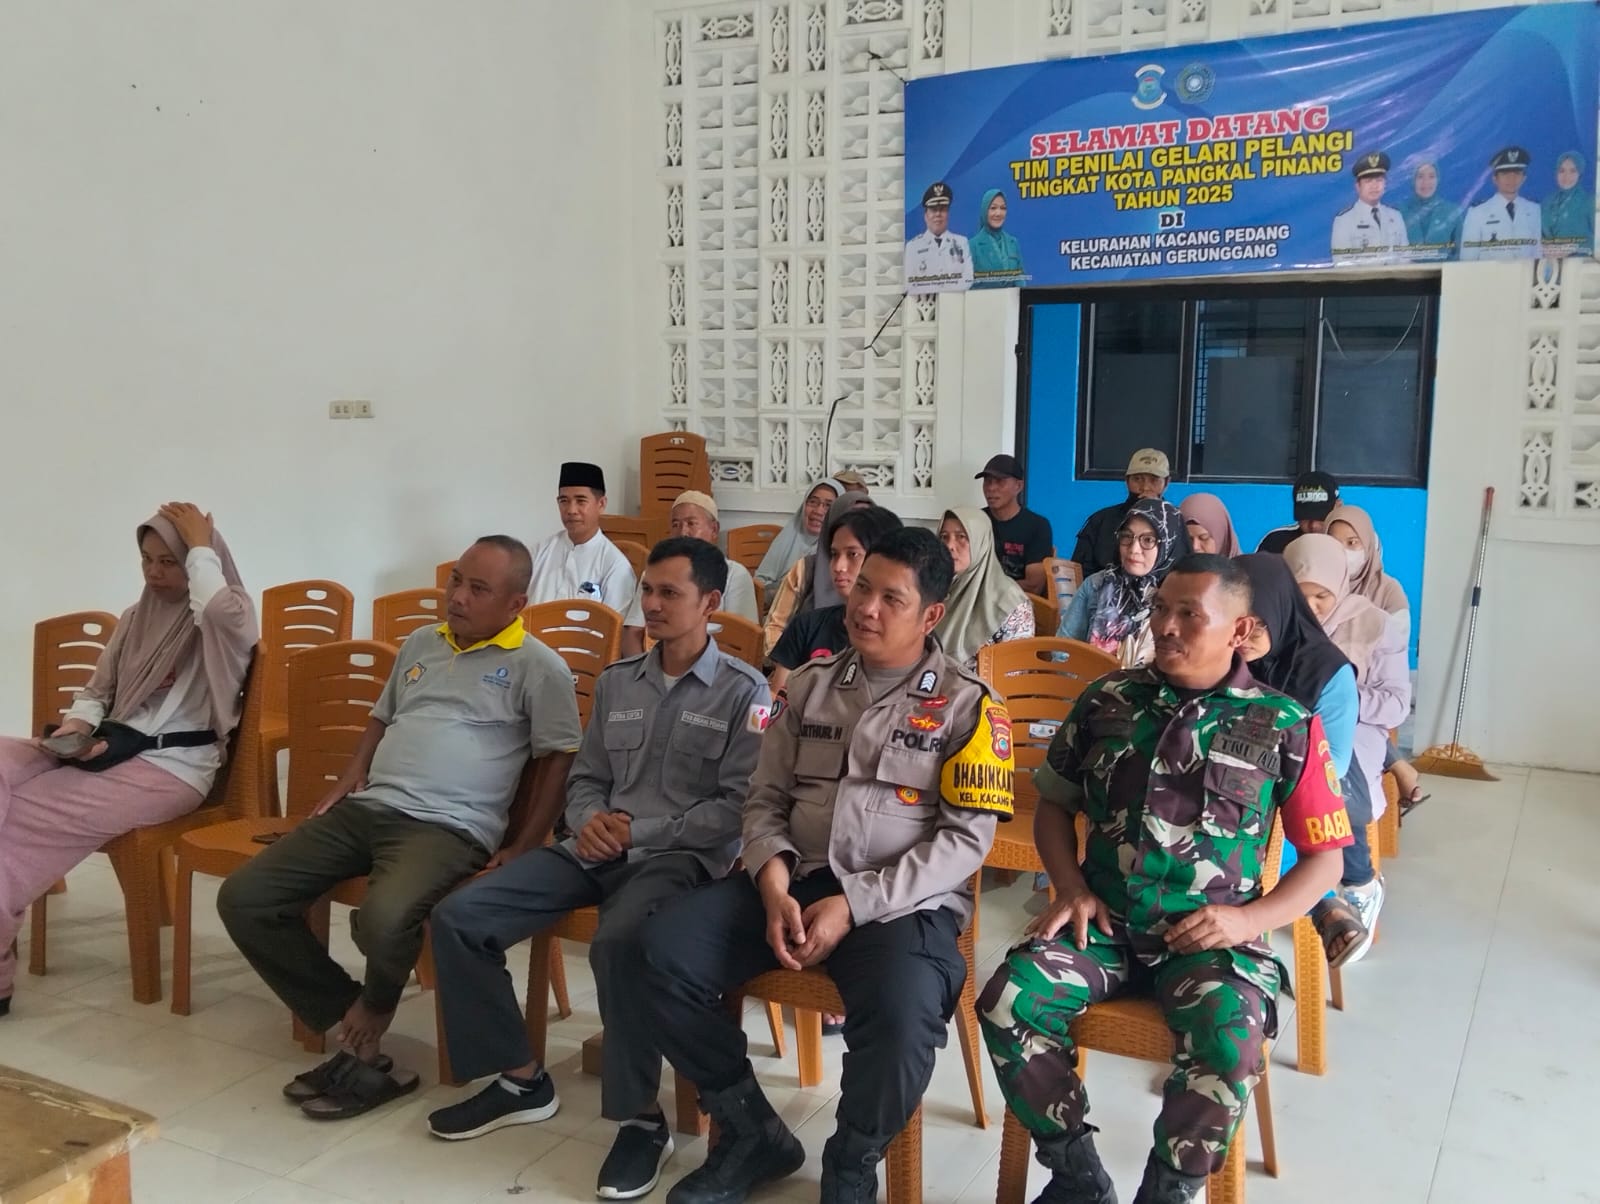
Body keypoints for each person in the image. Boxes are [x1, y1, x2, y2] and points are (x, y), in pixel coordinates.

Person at [639, 527, 1012, 1204]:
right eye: (862, 588)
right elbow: (764, 800)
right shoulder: (809, 686)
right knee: (662, 950)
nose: (865, 607)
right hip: (796, 880)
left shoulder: (970, 705)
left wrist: (854, 903)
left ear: (931, 614)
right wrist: (772, 883)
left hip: (900, 902)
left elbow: (964, 843)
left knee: (903, 1015)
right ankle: (749, 1131)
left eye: (891, 599)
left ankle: (851, 1163)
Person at [979, 554, 1350, 1204]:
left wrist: (1248, 920)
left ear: (1240, 631)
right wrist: (1070, 886)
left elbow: (1327, 860)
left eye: (1189, 614)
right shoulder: (1109, 699)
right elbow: (1055, 806)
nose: (1166, 626)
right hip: (1103, 926)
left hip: (1210, 940)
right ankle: (1077, 1177)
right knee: (1009, 999)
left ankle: (1168, 1190)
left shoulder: (1285, 724)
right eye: (1159, 610)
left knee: (1230, 1042)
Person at [426, 538, 770, 1199]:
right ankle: (520, 1077)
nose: (653, 605)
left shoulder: (742, 692)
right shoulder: (618, 681)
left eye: (670, 593)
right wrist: (588, 820)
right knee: (462, 916)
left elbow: (734, 811)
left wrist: (638, 830)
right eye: (648, 590)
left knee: (620, 943)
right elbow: (585, 777)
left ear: (710, 603)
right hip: (593, 847)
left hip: (677, 859)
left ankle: (641, 1121)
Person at [217, 537, 582, 1118]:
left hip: (448, 826)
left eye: (478, 589)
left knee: (385, 918)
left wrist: (523, 844)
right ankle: (352, 1014)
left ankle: (372, 1017)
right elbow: (382, 716)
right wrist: (352, 773)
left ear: (516, 604)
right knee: (245, 897)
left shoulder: (539, 667)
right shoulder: (421, 642)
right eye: (456, 580)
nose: (457, 597)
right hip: (370, 807)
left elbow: (560, 758)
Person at [0, 504, 256, 1018]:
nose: (154, 573)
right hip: (110, 746)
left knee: (23, 815)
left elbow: (216, 610)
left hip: (173, 768)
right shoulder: (137, 618)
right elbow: (97, 691)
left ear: (200, 562)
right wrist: (75, 729)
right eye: (147, 560)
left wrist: (200, 543)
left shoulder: (228, 617)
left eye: (169, 561)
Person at [1234, 554, 1375, 967]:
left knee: (1271, 815)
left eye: (1260, 624)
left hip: (1308, 781)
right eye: (1238, 622)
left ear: (1281, 611)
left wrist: (1262, 774)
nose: (1245, 636)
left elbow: (1334, 764)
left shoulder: (1328, 673)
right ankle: (1322, 905)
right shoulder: (1223, 656)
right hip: (1235, 779)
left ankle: (1320, 901)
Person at [1285, 534, 1411, 848]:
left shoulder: (1376, 625)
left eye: (1322, 596)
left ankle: (1355, 871)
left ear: (1340, 586)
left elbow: (1396, 705)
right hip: (1290, 728)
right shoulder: (1279, 620)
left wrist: (1336, 696)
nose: (1311, 607)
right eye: (1300, 595)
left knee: (1328, 784)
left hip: (1354, 731)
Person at [768, 504, 902, 694]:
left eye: (853, 554)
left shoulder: (905, 637)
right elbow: (779, 701)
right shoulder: (807, 626)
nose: (838, 566)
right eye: (834, 554)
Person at [620, 492, 757, 657]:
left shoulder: (735, 574)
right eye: (675, 524)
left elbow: (745, 639)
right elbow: (632, 633)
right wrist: (640, 670)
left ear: (714, 529)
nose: (683, 532)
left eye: (691, 523)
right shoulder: (654, 573)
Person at [1058, 498, 1186, 668]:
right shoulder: (1097, 584)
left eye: (1148, 540)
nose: (1133, 549)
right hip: (1090, 682)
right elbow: (1062, 651)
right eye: (1127, 536)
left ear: (1169, 545)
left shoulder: (1181, 596)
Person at [762, 491, 873, 657]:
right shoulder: (806, 568)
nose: (840, 567)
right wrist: (786, 660)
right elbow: (775, 627)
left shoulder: (883, 576)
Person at [935, 507, 1035, 672]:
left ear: (981, 543)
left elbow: (1015, 673)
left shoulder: (1010, 602)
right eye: (944, 537)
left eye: (961, 537)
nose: (949, 546)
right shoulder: (938, 586)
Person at [528, 461, 636, 608]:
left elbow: (615, 621)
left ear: (601, 504)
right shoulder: (538, 553)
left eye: (581, 501)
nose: (571, 510)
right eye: (564, 501)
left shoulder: (615, 566)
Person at [1071, 449, 1169, 576]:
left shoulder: (1177, 526)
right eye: (1138, 479)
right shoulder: (1101, 521)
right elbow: (1079, 573)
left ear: (1166, 483)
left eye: (1154, 480)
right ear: (1127, 481)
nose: (1145, 487)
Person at [1323, 504, 1410, 646]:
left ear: (1368, 543)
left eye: (1352, 542)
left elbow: (1396, 645)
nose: (1342, 551)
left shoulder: (1389, 591)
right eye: (1334, 543)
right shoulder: (1317, 587)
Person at [978, 453, 1053, 594]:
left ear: (1018, 486)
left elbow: (1034, 586)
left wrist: (990, 589)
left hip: (1018, 602)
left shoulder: (1037, 526)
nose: (991, 488)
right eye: (987, 481)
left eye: (1000, 481)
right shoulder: (976, 521)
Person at [753, 478, 842, 592]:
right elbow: (760, 581)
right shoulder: (787, 537)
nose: (818, 511)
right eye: (813, 502)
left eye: (828, 505)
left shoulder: (839, 550)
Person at [1460, 146, 1542, 261]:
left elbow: (1538, 253)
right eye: (1505, 173)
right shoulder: (1477, 212)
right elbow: (1467, 259)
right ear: (1495, 178)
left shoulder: (1534, 209)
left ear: (1524, 178)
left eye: (1517, 173)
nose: (1511, 179)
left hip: (1525, 271)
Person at [1331, 151, 1407, 265]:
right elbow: (1342, 264)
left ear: (1385, 184)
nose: (1374, 186)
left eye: (1379, 180)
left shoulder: (1396, 216)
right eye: (1368, 181)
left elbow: (1405, 258)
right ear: (1358, 186)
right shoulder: (1344, 220)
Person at [904, 180, 973, 295]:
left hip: (956, 301)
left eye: (942, 209)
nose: (938, 214)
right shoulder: (913, 247)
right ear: (926, 216)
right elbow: (910, 285)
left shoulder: (962, 243)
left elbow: (968, 280)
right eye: (933, 210)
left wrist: (936, 288)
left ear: (948, 213)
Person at [1254, 470, 1339, 555]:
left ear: (1338, 506)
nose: (1313, 525)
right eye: (1305, 517)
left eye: (1321, 516)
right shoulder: (1275, 542)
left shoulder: (1345, 542)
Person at [1399, 160, 1462, 256]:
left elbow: (1459, 253)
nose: (1426, 182)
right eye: (1420, 176)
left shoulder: (1453, 211)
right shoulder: (1398, 212)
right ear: (1413, 180)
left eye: (1431, 176)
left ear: (1438, 180)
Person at [1540, 151, 1594, 256]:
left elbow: (1596, 241)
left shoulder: (1589, 202)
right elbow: (1538, 234)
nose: (1566, 176)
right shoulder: (1547, 201)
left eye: (1573, 171)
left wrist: (1572, 248)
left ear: (1580, 174)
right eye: (1562, 171)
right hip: (1549, 262)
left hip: (1580, 262)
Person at [970, 188, 1024, 288]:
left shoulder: (1013, 243)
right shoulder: (972, 246)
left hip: (1011, 298)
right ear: (984, 211)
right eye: (993, 208)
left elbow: (1020, 280)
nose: (998, 213)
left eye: (1003, 208)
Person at [1177, 492, 1240, 557]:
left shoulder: (1242, 563)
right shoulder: (1173, 562)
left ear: (1221, 538)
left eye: (1204, 538)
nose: (1195, 547)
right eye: (1189, 539)